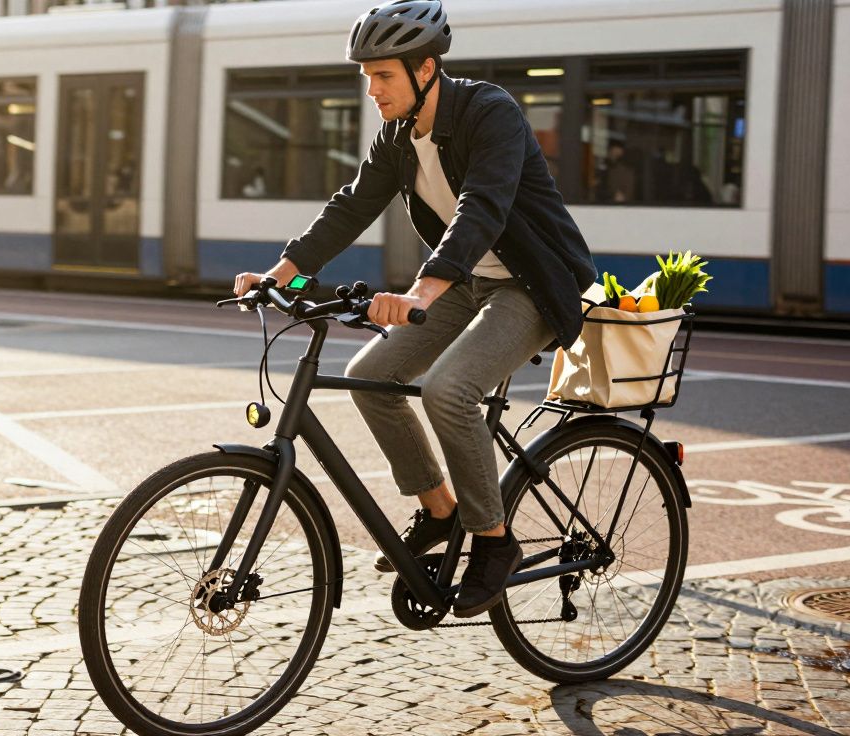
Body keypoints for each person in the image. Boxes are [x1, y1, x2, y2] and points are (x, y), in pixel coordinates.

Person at [232, 0, 596, 618]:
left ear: (426, 69)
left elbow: (481, 207)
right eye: (367, 76)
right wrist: (279, 275)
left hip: (532, 286)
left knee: (449, 391)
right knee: (370, 379)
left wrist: (421, 292)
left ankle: (493, 538)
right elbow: (351, 206)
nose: (372, 89)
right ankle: (440, 509)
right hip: (465, 284)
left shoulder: (490, 114)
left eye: (384, 76)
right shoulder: (398, 138)